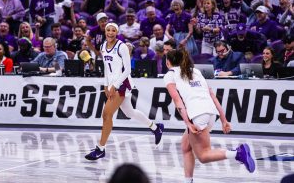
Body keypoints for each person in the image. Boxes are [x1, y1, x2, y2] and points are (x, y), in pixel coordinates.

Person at [163, 47, 255, 183]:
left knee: (203, 155)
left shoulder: (170, 74)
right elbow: (212, 95)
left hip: (197, 115)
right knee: (186, 146)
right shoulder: (196, 71)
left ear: (168, 62)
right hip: (211, 113)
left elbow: (177, 101)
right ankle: (188, 181)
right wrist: (224, 119)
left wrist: (188, 123)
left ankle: (237, 153)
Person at [85, 22, 164, 161]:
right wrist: (105, 85)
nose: (110, 33)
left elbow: (127, 70)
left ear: (117, 32)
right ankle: (155, 127)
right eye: (108, 30)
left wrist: (114, 85)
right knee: (129, 112)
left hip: (122, 84)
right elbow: (106, 68)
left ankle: (100, 148)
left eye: (113, 30)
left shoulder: (121, 47)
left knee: (106, 114)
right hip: (111, 84)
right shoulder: (103, 46)